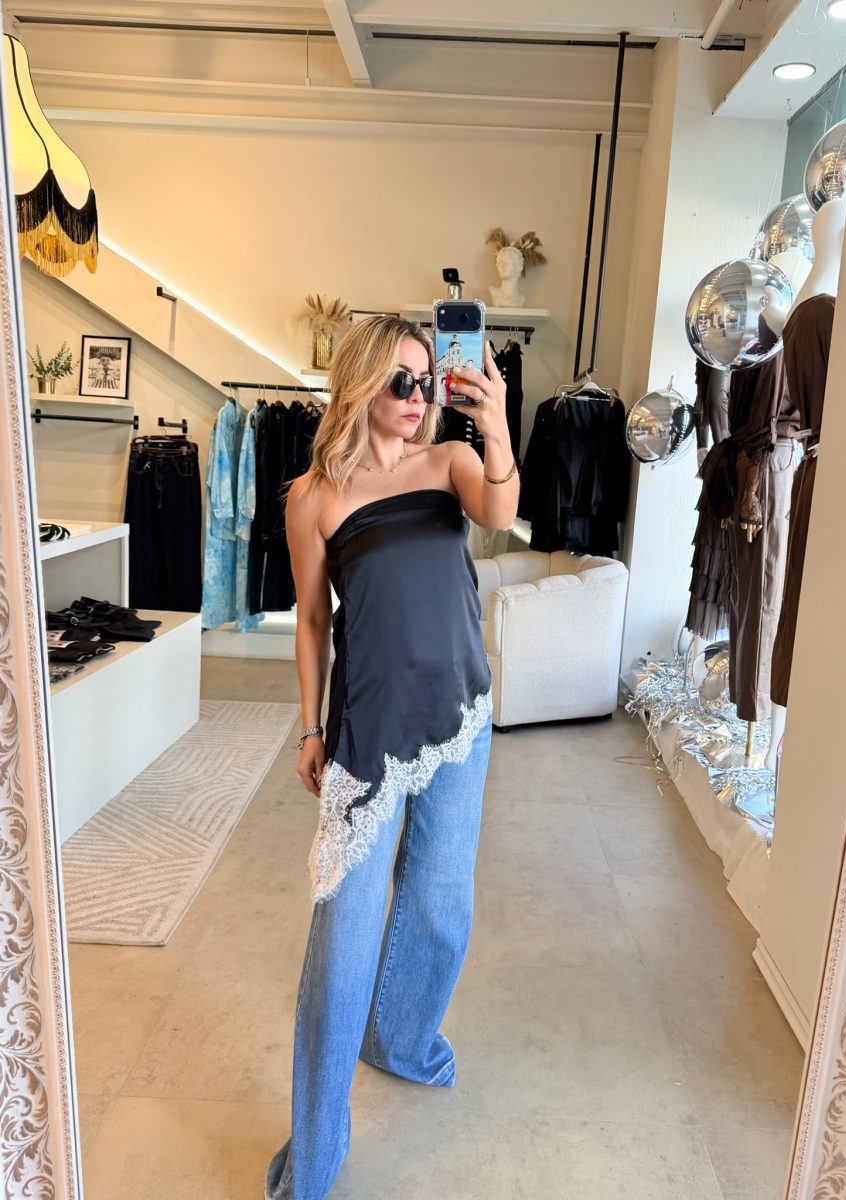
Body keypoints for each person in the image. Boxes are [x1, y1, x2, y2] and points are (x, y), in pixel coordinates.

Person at [265, 314, 519, 1200]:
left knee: (441, 904)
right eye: (400, 381)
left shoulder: (449, 463)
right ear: (362, 382)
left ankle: (401, 1040)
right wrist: (309, 727)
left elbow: (500, 510)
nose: (416, 398)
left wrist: (494, 424)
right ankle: (316, 1156)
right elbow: (311, 620)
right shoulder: (313, 499)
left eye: (425, 380)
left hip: (459, 718)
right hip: (370, 733)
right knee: (343, 937)